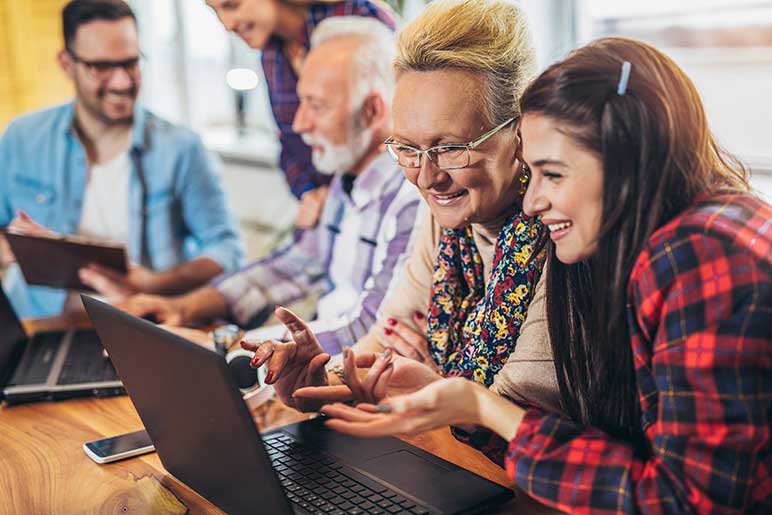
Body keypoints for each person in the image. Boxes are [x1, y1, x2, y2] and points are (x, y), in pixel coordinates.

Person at [322, 37, 772, 514]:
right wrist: (472, 410)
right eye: (532, 174)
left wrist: (486, 409)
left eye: (553, 175)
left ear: (629, 164)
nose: (533, 202)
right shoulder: (665, 242)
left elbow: (690, 504)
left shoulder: (702, 258)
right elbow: (616, 450)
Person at [242, 0, 561, 441]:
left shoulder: (563, 229)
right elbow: (385, 347)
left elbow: (512, 421)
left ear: (520, 130)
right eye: (407, 149)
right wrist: (317, 379)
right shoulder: (447, 220)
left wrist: (430, 389)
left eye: (451, 147)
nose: (427, 178)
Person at [119, 16, 421, 353]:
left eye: (316, 106)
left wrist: (231, 346)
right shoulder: (343, 182)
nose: (299, 123)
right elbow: (293, 267)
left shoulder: (412, 202)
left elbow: (371, 331)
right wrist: (184, 307)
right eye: (301, 101)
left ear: (373, 111)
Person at [0, 0, 244, 319]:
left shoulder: (182, 148)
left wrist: (154, 283)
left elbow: (228, 250)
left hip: (145, 324)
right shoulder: (22, 138)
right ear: (67, 63)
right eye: (101, 67)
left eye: (131, 63)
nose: (122, 82)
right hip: (43, 323)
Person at [206, 0, 396, 229]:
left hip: (377, 204)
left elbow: (400, 125)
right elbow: (288, 141)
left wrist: (341, 192)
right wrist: (308, 193)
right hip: (323, 212)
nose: (226, 25)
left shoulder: (355, 17)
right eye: (214, 11)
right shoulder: (271, 54)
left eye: (232, 5)